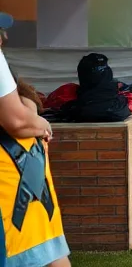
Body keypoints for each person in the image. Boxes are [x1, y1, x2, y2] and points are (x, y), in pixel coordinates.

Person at [0, 46, 70, 267]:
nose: (6, 38)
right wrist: (43, 125)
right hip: (23, 220)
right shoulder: (27, 116)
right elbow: (19, 121)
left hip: (26, 220)